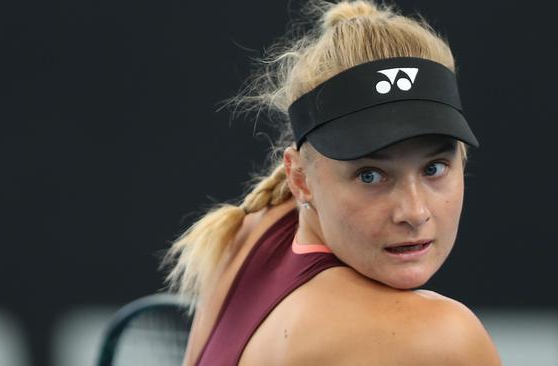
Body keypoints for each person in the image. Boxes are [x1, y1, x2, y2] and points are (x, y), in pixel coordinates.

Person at [163, 0, 502, 365]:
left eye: (434, 168)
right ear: (299, 178)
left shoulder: (251, 232)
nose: (414, 212)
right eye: (370, 175)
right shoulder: (442, 337)